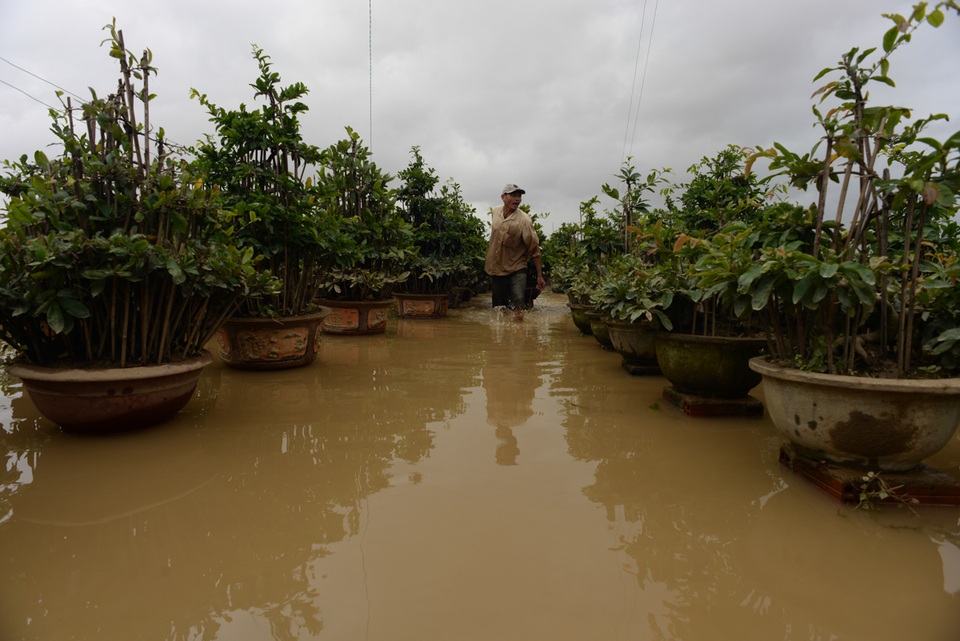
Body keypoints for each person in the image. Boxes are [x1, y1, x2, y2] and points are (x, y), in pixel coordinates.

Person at [484, 183, 546, 321]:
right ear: (503, 197)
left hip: (517, 268)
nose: (517, 199)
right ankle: (502, 339)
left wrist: (539, 275)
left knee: (518, 301)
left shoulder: (524, 221)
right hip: (496, 268)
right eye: (513, 195)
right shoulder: (495, 212)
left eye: (519, 196)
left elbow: (534, 248)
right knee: (499, 308)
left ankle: (519, 334)